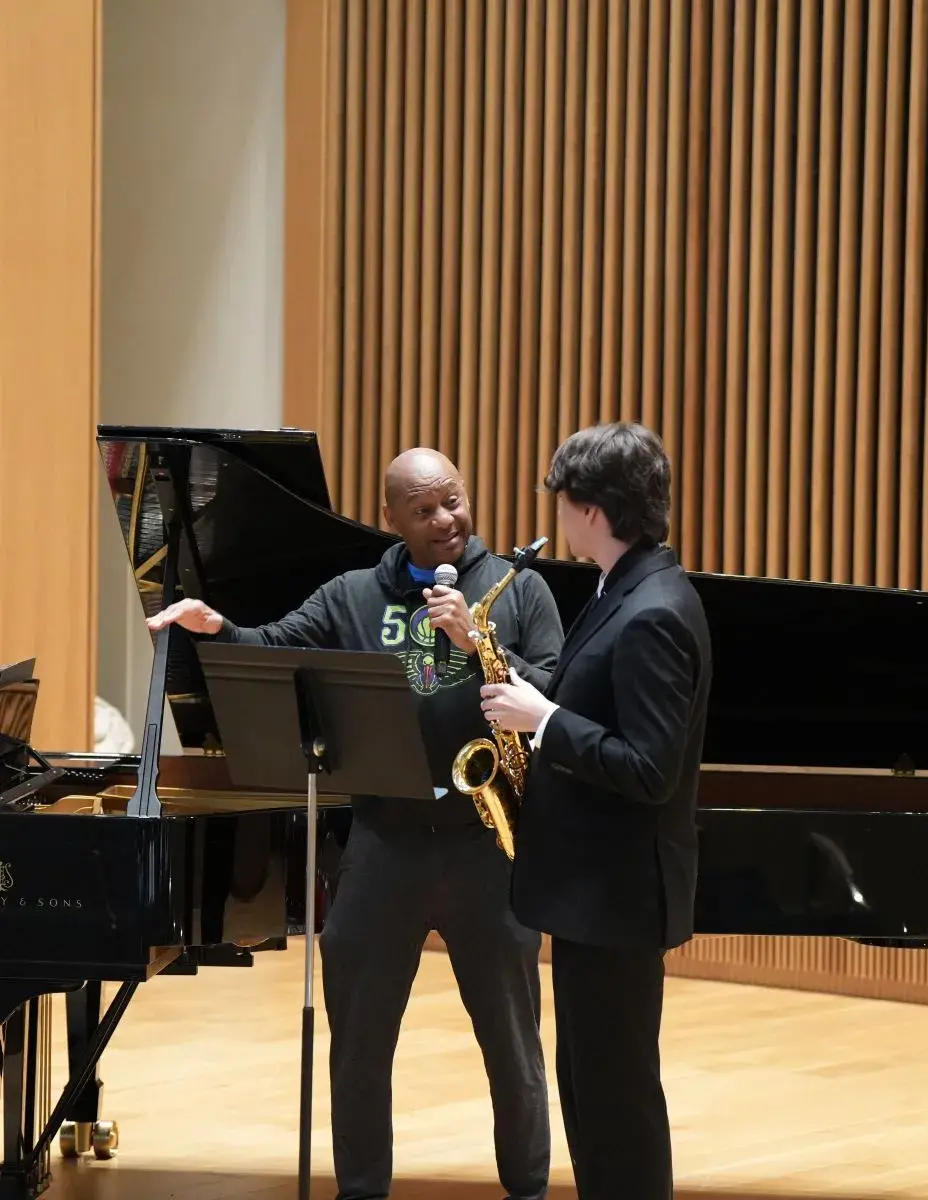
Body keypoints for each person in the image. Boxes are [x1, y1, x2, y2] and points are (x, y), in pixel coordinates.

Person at [146, 448, 564, 1200]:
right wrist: (218, 628)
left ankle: (528, 1189)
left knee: (511, 1043)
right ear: (391, 519)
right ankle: (361, 1189)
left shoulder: (519, 589)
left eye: (454, 502)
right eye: (425, 510)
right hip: (383, 842)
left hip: (485, 842)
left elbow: (556, 691)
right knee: (360, 1046)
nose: (446, 521)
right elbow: (274, 648)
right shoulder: (349, 595)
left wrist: (479, 646)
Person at [479, 422, 712, 1200]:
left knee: (617, 1101)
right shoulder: (623, 587)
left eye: (563, 498)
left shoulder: (652, 612)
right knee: (588, 1090)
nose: (557, 510)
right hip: (590, 896)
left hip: (616, 899)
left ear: (590, 508)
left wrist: (541, 723)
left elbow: (648, 768)